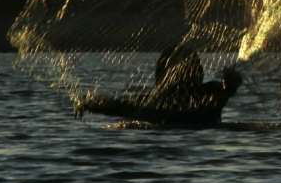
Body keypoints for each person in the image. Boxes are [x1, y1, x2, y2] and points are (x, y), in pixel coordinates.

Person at [75, 45, 243, 124]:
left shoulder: (209, 91)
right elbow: (119, 106)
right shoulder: (156, 100)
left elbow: (226, 89)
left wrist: (90, 104)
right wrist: (90, 104)